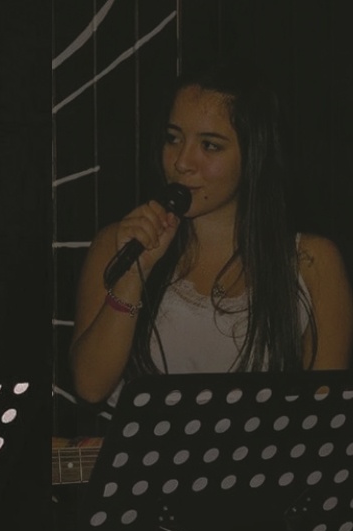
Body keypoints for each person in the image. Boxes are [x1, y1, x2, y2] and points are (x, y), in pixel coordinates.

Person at [70, 59, 353, 406]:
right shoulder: (120, 241)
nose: (182, 162)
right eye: (173, 139)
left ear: (255, 155)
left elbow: (325, 410)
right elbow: (90, 385)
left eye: (210, 146)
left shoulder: (311, 261)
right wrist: (132, 275)